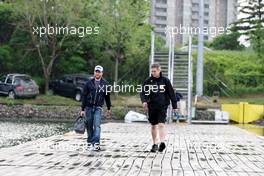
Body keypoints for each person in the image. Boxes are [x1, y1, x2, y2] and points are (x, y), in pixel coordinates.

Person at [140, 63, 177, 152]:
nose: (153, 73)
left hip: (162, 106)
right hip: (152, 106)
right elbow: (142, 92)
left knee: (161, 124)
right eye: (152, 71)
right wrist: (144, 101)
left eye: (154, 71)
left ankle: (162, 142)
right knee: (153, 125)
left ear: (159, 71)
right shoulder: (148, 81)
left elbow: (171, 93)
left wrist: (174, 106)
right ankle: (154, 143)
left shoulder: (165, 81)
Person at [80, 65, 111, 151]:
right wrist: (82, 109)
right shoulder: (88, 83)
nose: (97, 73)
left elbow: (107, 97)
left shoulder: (105, 84)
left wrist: (109, 108)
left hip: (98, 108)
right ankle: (90, 143)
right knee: (89, 126)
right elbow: (84, 96)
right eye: (96, 71)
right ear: (94, 72)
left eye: (99, 72)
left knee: (97, 125)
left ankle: (96, 143)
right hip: (89, 107)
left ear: (102, 73)